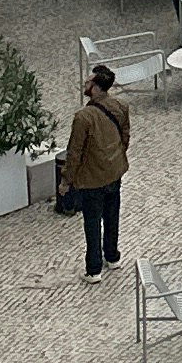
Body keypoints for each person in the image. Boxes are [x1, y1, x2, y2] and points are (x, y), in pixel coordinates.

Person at [62, 64, 131, 282]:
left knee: (92, 223)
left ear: (97, 87)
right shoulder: (120, 106)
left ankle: (93, 269)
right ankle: (112, 257)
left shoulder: (83, 117)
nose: (85, 83)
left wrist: (66, 180)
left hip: (92, 179)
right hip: (115, 172)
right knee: (112, 216)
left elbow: (74, 152)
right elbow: (125, 138)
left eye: (88, 82)